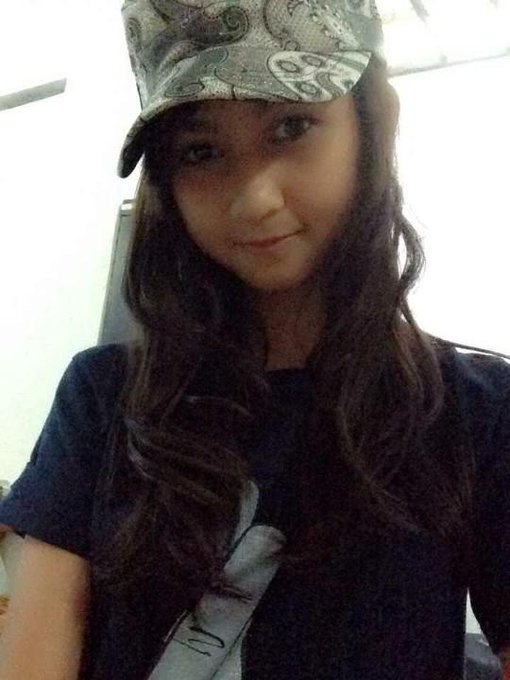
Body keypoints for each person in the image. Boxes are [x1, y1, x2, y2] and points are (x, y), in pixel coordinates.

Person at [0, 1, 509, 678]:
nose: (254, 198)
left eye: (290, 126)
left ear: (372, 123)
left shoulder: (478, 413)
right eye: (202, 151)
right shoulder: (103, 397)